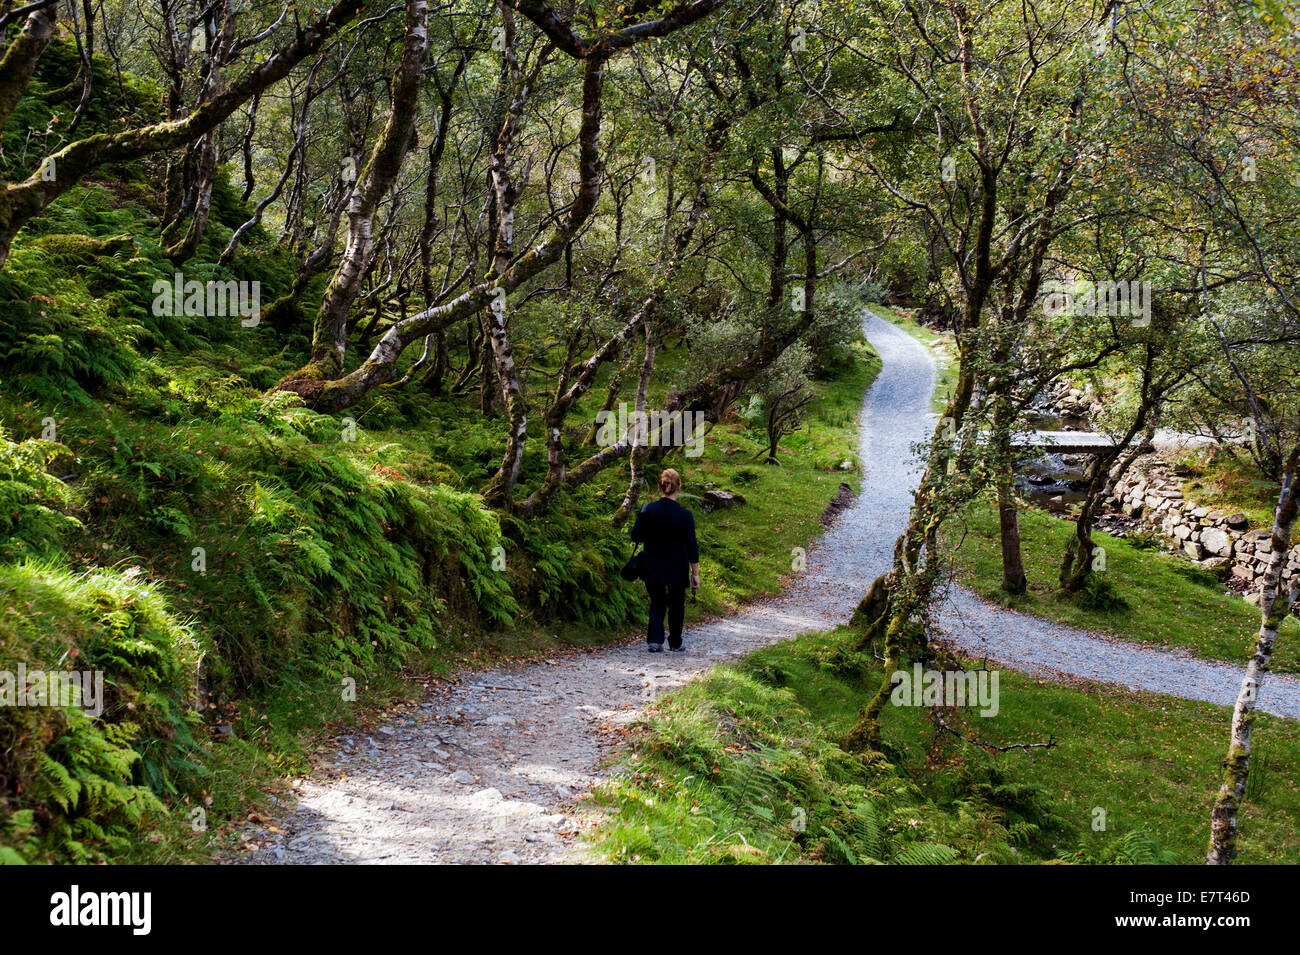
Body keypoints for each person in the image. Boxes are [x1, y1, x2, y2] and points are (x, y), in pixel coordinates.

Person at [629, 468, 700, 652]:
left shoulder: (648, 510)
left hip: (652, 564)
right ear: (679, 487)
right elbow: (692, 546)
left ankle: (654, 641)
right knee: (677, 605)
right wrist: (695, 574)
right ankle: (675, 642)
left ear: (660, 486)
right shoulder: (685, 515)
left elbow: (635, 536)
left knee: (657, 601)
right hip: (677, 566)